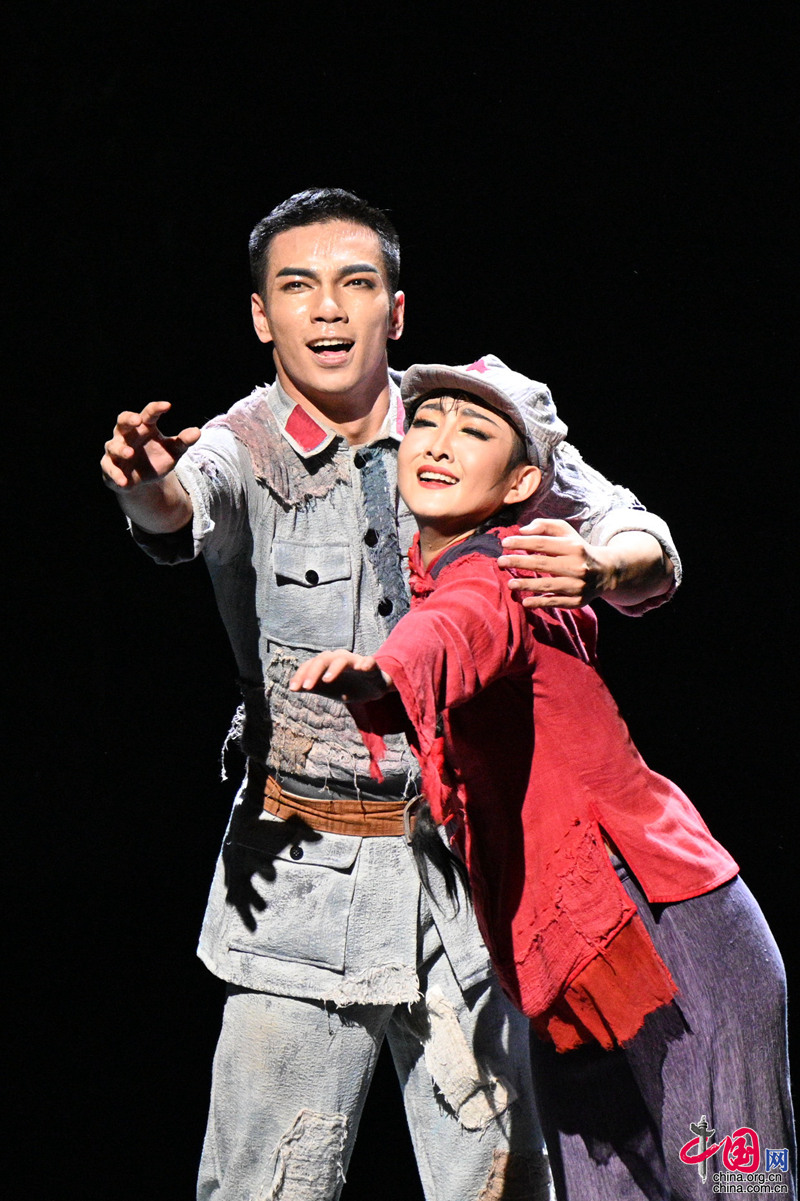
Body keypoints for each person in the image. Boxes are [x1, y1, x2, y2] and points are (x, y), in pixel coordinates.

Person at [101, 188, 681, 1201]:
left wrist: (600, 567)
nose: (328, 308)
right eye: (298, 286)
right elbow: (181, 505)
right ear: (261, 315)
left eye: (355, 283)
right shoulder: (244, 443)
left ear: (395, 309)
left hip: (467, 882)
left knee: (505, 1180)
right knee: (263, 1183)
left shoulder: (466, 419)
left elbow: (639, 535)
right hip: (300, 884)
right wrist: (145, 487)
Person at [290, 355, 796, 1201]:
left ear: (523, 480)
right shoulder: (437, 576)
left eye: (473, 429)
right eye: (428, 421)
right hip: (564, 947)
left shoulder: (498, 569)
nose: (439, 441)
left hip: (656, 913)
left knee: (735, 1179)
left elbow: (459, 629)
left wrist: (381, 673)